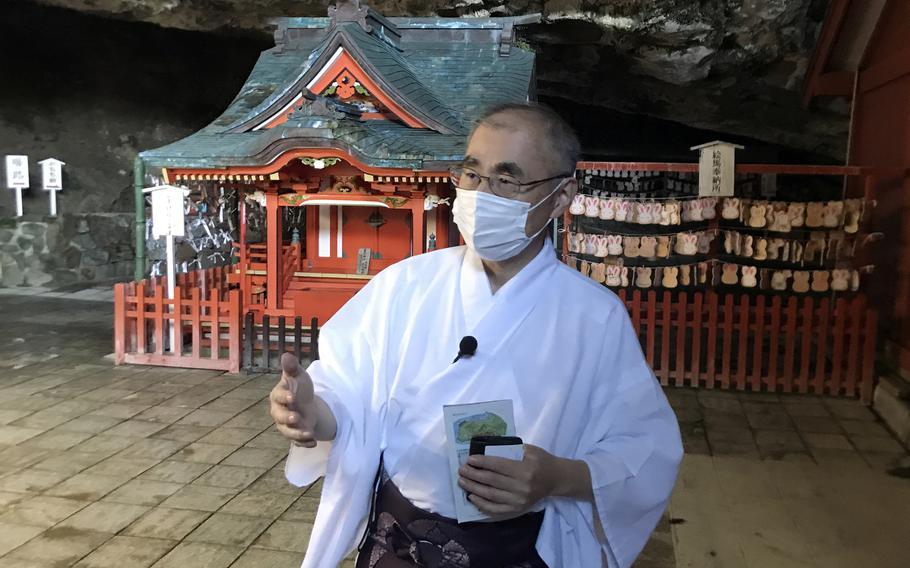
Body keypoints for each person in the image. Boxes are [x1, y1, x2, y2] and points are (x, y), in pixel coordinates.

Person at [269, 103, 683, 568]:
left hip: (515, 550)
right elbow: (346, 395)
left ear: (562, 196)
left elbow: (646, 448)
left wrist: (557, 477)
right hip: (400, 541)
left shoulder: (594, 316)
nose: (482, 195)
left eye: (507, 180)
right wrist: (311, 413)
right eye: (471, 174)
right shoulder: (405, 286)